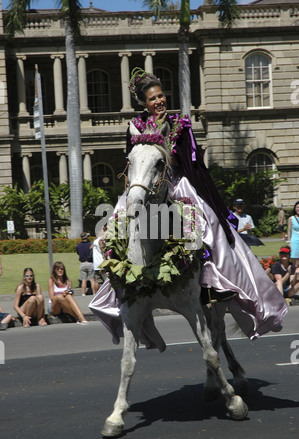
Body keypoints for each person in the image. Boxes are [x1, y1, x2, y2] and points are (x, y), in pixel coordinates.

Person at [90, 68, 287, 343]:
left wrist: (212, 201)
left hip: (176, 186)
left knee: (210, 228)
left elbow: (195, 168)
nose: (159, 101)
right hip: (144, 188)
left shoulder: (180, 124)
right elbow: (132, 164)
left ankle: (214, 284)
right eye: (152, 99)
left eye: (161, 96)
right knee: (118, 230)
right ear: (143, 103)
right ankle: (120, 289)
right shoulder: (135, 127)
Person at [288, 200, 299, 269]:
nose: (298, 209)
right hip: (295, 241)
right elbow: (289, 231)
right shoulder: (291, 218)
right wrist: (289, 242)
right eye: (297, 207)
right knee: (296, 262)